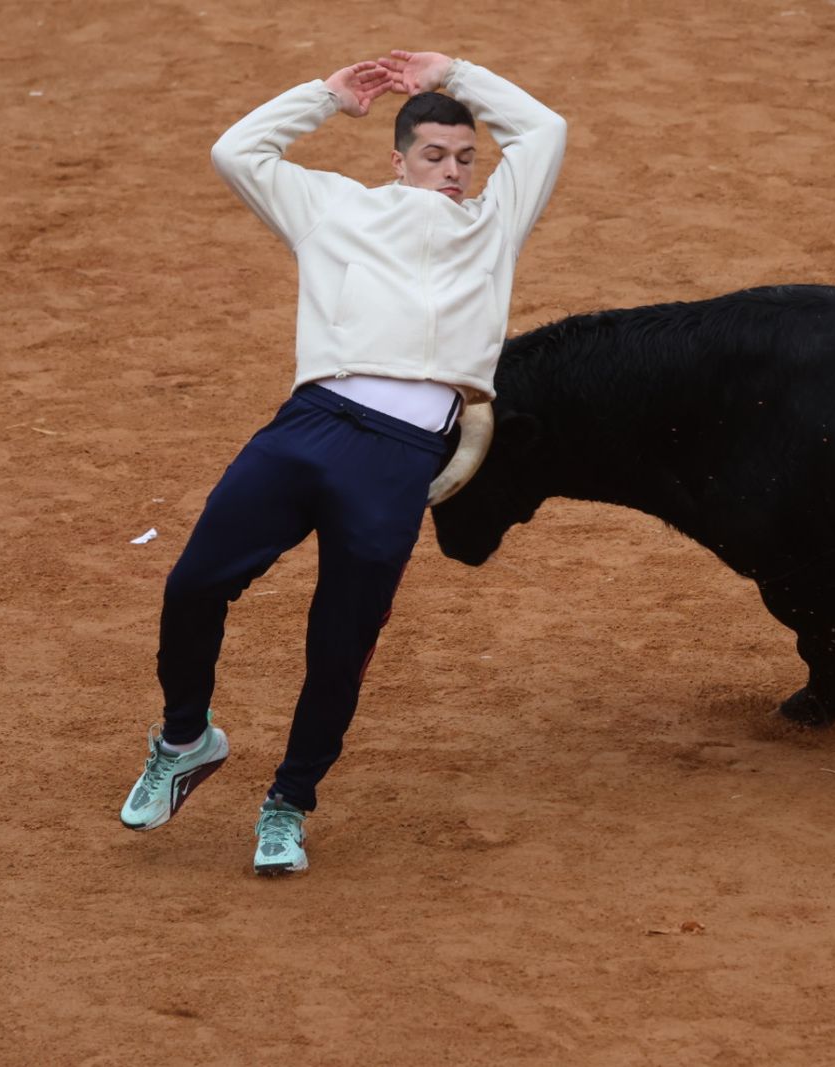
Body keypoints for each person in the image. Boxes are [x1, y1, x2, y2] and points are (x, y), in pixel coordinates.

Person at [119, 49, 566, 875]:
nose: (454, 172)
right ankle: (186, 738)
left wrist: (456, 73)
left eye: (467, 158)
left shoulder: (494, 224)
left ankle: (288, 803)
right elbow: (237, 153)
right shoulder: (332, 207)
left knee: (340, 642)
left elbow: (545, 129)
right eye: (435, 155)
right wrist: (325, 98)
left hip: (400, 459)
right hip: (311, 427)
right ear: (398, 161)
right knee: (193, 584)